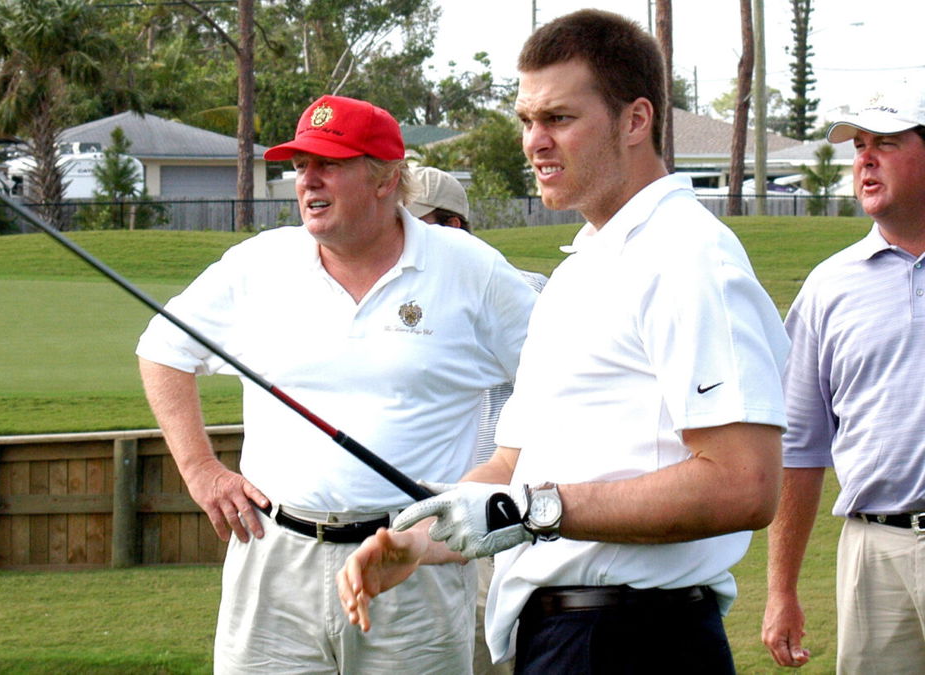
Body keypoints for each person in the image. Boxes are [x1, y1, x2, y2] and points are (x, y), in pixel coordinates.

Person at [336, 10, 790, 673]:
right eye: (526, 121)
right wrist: (419, 536)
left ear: (636, 121)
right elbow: (512, 466)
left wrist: (536, 509)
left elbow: (746, 484)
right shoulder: (577, 272)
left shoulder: (688, 256)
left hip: (638, 639)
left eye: (558, 118)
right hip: (564, 635)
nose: (534, 142)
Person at [136, 94, 539, 674]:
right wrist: (201, 470)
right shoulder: (259, 264)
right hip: (273, 560)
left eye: (330, 163)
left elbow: (556, 377)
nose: (308, 181)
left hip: (410, 562)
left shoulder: (469, 269)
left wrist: (505, 474)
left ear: (385, 179)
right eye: (301, 165)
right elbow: (162, 348)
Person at [762, 80, 925, 672]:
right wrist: (781, 590)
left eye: (885, 141)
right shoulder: (829, 288)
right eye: (859, 146)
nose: (865, 160)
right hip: (871, 552)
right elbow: (801, 446)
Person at [409, 165, 545, 675]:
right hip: (426, 524)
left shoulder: (531, 294)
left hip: (495, 524)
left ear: (452, 228)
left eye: (412, 225)